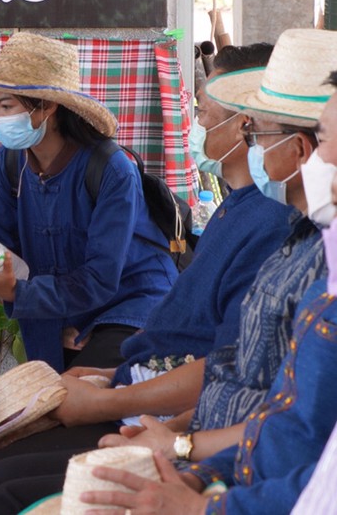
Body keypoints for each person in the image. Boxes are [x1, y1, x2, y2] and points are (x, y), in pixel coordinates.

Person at [0, 43, 296, 515]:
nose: (197, 123)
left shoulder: (272, 225)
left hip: (133, 338)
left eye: (204, 113)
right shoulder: (236, 209)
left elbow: (233, 374)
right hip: (145, 381)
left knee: (7, 484)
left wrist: (163, 434)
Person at [78, 72, 337, 514]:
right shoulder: (293, 234)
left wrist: (195, 481)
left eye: (325, 139)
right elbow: (269, 406)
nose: (317, 156)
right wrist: (195, 467)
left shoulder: (285, 233)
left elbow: (303, 449)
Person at [0, 32, 178, 371]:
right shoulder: (6, 165)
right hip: (55, 315)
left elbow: (101, 278)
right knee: (48, 396)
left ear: (48, 106)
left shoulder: (112, 169)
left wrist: (17, 292)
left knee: (81, 396)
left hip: (130, 308)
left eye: (6, 106)